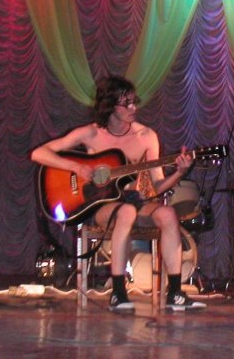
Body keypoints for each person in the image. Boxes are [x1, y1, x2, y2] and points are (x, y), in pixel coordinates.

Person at [31, 75, 206, 312]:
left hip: (135, 201)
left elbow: (157, 186)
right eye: (127, 103)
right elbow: (39, 154)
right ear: (111, 106)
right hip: (101, 206)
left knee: (168, 214)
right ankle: (119, 293)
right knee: (125, 212)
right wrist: (77, 167)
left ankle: (175, 293)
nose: (134, 108)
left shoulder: (146, 137)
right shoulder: (91, 134)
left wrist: (179, 172)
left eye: (135, 102)